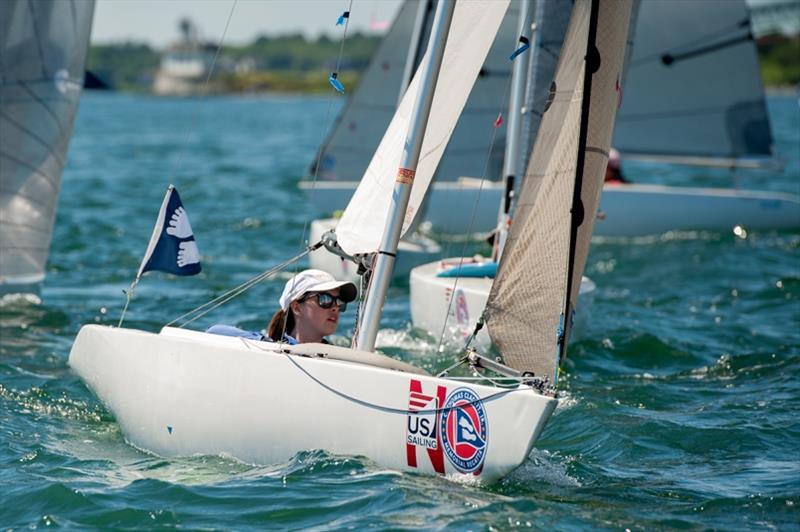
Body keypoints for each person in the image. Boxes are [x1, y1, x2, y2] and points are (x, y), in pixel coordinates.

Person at [206, 269, 357, 344]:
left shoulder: (336, 358)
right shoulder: (270, 347)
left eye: (339, 302)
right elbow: (214, 331)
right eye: (325, 299)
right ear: (297, 307)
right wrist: (265, 343)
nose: (335, 308)